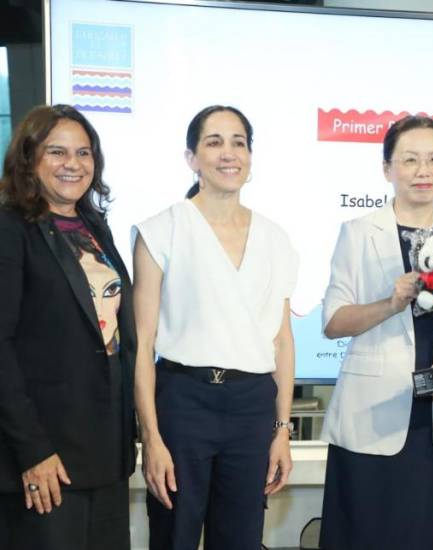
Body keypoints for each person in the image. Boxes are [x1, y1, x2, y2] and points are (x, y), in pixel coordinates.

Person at [0, 104, 137, 550]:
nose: (72, 164)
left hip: (105, 454)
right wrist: (33, 452)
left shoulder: (95, 228)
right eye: (56, 151)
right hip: (44, 458)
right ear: (28, 159)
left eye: (83, 153)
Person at [133, 105, 296, 549]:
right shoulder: (160, 230)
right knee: (175, 535)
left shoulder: (275, 237)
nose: (229, 154)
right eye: (214, 142)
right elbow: (143, 343)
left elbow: (282, 340)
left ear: (250, 156)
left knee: (242, 539)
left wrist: (282, 431)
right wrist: (151, 437)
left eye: (239, 142)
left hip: (251, 408)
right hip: (183, 403)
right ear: (192, 158)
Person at [319, 115, 433, 550]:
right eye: (410, 159)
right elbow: (333, 322)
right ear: (387, 168)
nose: (423, 170)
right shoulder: (357, 233)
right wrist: (391, 303)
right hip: (370, 415)